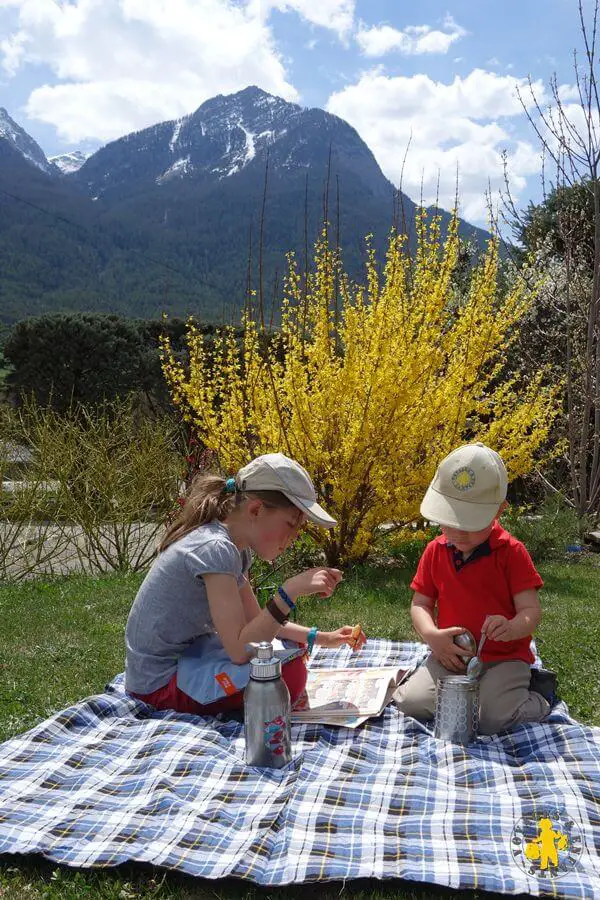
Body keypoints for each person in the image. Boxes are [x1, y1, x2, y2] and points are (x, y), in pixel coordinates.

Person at [125, 452, 366, 715]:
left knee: (291, 651)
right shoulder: (215, 549)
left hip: (191, 660)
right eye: (290, 525)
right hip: (159, 685)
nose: (293, 538)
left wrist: (320, 638)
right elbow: (241, 650)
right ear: (255, 509)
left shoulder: (235, 549)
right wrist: (289, 591)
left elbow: (258, 624)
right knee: (289, 674)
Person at [393, 442, 556, 735]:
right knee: (409, 702)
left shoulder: (511, 552)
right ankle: (477, 695)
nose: (458, 531)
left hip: (503, 658)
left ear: (499, 511)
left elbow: (531, 611)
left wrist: (513, 627)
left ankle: (540, 697)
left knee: (489, 719)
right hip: (451, 654)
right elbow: (420, 604)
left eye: (470, 522)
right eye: (449, 520)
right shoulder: (436, 550)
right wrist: (432, 638)